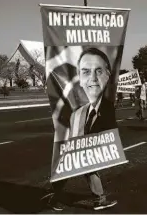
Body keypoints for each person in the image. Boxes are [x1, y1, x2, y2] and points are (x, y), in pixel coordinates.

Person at [46, 47, 117, 211]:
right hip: (75, 140)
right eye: (86, 72)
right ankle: (97, 199)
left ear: (108, 74)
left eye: (98, 71)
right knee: (72, 166)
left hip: (90, 141)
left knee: (83, 166)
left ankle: (94, 198)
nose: (93, 78)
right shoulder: (72, 107)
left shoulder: (107, 105)